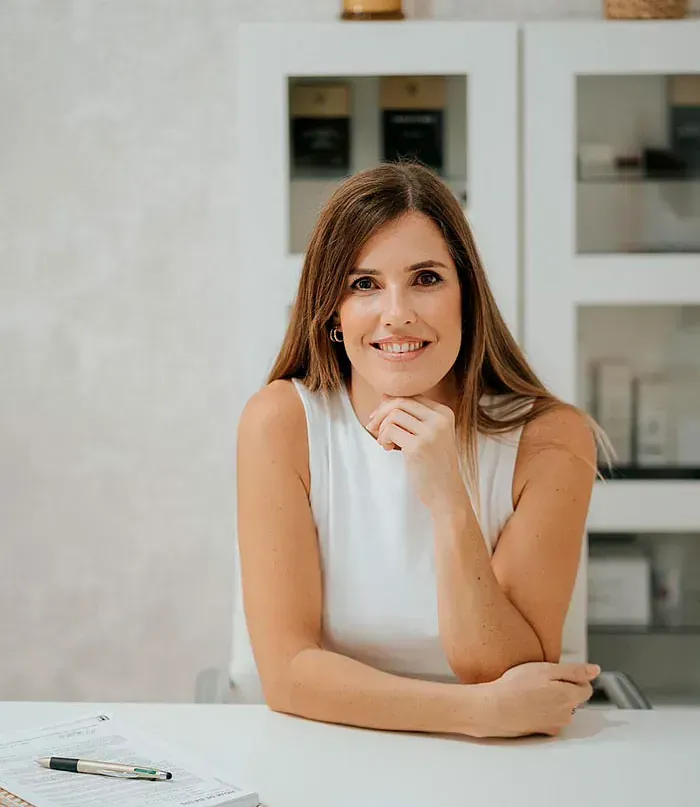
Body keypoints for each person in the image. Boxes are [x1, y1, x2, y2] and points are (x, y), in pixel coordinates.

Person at [235, 161, 602, 739]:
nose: (397, 314)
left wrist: (450, 500)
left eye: (426, 278)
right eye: (364, 284)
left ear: (466, 297)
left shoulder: (550, 438)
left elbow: (497, 671)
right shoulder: (281, 422)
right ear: (333, 314)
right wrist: (476, 712)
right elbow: (288, 674)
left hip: (502, 765)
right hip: (329, 744)